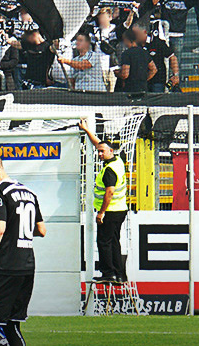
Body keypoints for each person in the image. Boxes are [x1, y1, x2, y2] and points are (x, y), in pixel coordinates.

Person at [0, 153, 45, 346]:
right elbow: (41, 230)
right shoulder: (29, 193)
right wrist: (17, 228)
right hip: (27, 266)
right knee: (12, 326)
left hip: (6, 266)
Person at [78, 121, 128, 283]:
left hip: (110, 211)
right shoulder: (117, 161)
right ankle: (119, 275)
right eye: (98, 151)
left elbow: (110, 192)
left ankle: (108, 274)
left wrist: (101, 212)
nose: (99, 154)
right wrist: (87, 130)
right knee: (114, 242)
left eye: (102, 152)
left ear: (111, 151)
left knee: (104, 242)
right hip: (120, 210)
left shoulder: (109, 170)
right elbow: (99, 143)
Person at [117, 28, 156, 93]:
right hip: (143, 88)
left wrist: (117, 73)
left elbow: (125, 74)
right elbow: (154, 69)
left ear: (127, 40)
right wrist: (145, 79)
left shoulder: (126, 54)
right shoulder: (145, 52)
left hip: (130, 89)